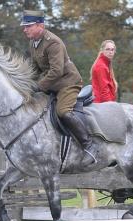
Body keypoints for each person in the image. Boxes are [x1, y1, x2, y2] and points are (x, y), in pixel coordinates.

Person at [21, 10, 96, 165]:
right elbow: (35, 69)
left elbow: (57, 71)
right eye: (25, 26)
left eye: (29, 26)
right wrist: (25, 84)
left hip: (67, 83)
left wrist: (38, 86)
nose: (25, 29)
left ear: (40, 26)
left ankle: (89, 145)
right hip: (52, 85)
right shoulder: (33, 42)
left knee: (63, 112)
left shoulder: (53, 42)